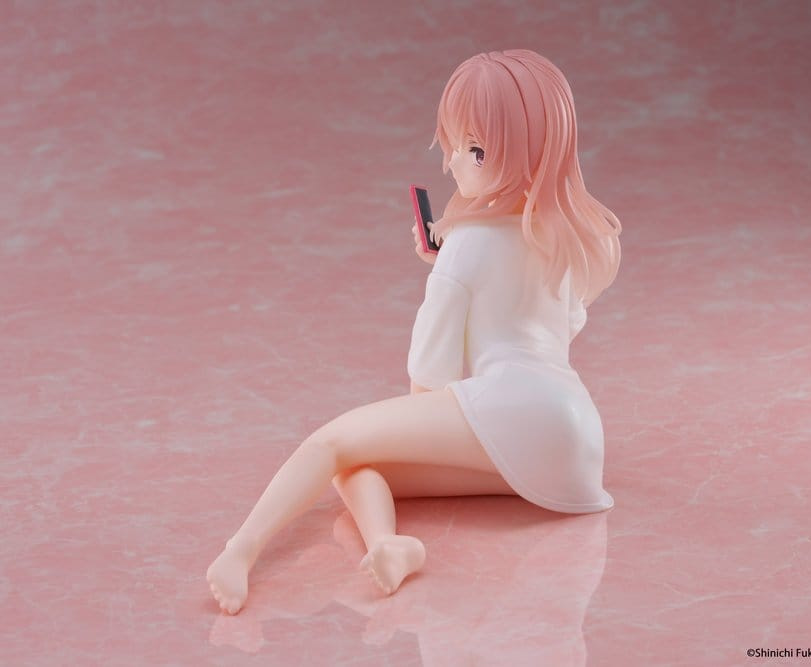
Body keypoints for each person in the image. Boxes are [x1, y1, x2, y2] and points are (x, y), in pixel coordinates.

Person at [206, 48, 622, 615]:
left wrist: (446, 276)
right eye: (455, 145)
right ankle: (388, 545)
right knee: (357, 465)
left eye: (474, 150)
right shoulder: (564, 236)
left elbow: (430, 374)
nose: (453, 162)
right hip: (577, 449)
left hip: (518, 410)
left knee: (331, 443)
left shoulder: (466, 246)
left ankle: (240, 551)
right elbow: (557, 323)